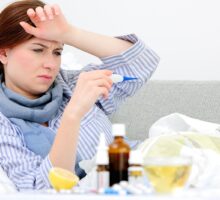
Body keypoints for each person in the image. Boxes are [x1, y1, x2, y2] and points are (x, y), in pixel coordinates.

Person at [0, 0, 159, 191]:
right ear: (3, 53)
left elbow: (143, 63)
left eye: (57, 52)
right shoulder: (4, 124)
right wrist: (72, 114)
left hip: (145, 175)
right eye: (38, 50)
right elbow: (40, 190)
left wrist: (68, 33)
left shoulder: (71, 83)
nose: (51, 64)